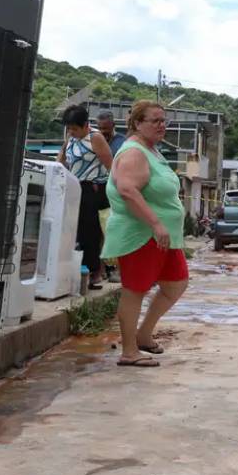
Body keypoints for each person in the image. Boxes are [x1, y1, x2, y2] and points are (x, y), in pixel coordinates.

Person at [100, 100, 189, 367]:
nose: (162, 125)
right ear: (137, 123)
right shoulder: (133, 153)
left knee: (176, 283)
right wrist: (155, 223)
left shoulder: (152, 151)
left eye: (164, 121)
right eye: (155, 121)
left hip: (163, 236)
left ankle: (143, 335)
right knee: (134, 289)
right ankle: (129, 351)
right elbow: (127, 190)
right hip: (142, 233)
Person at [59, 105, 113, 289]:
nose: (71, 132)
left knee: (89, 232)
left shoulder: (95, 138)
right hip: (73, 187)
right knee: (72, 231)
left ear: (85, 125)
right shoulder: (70, 138)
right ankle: (74, 271)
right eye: (69, 128)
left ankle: (94, 271)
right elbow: (61, 158)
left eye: (75, 128)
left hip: (92, 189)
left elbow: (110, 165)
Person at [96, 111, 126, 283]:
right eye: (99, 128)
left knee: (113, 232)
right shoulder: (93, 140)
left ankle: (118, 270)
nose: (102, 132)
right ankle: (99, 270)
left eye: (106, 129)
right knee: (96, 234)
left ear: (113, 126)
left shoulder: (122, 143)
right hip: (97, 192)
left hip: (116, 195)